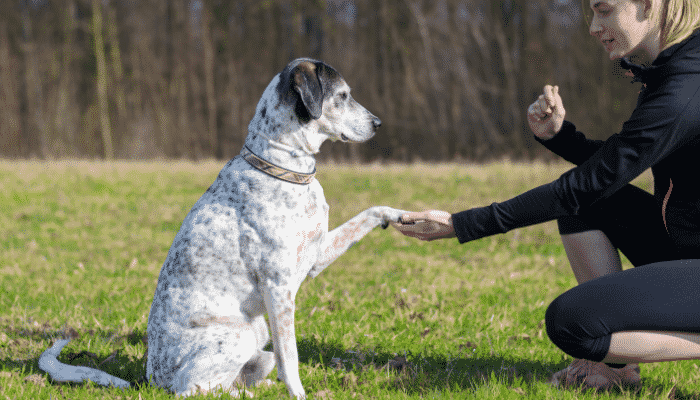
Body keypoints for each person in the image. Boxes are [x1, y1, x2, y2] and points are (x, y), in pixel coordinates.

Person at [392, 0, 700, 391]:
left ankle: (608, 358)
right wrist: (560, 137)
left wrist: (461, 223)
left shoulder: (684, 87)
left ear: (649, 5)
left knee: (572, 324)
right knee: (588, 204)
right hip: (686, 245)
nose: (592, 26)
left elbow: (589, 182)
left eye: (603, 10)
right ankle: (614, 371)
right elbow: (610, 169)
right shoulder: (673, 71)